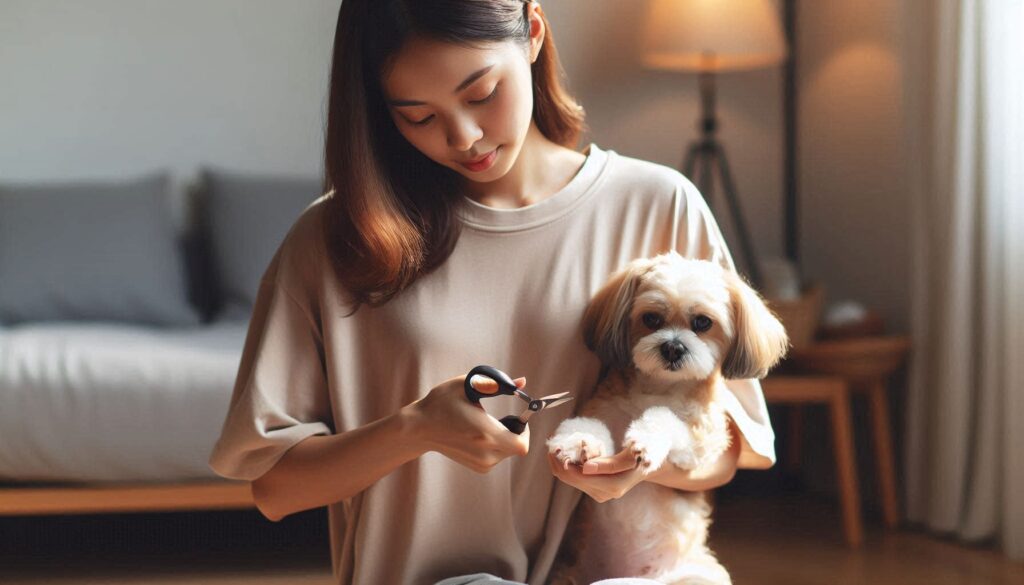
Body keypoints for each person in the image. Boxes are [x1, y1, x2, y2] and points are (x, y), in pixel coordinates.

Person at [207, 1, 777, 584]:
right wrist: (415, 429)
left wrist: (635, 467)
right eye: (418, 116)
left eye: (481, 94)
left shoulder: (659, 205)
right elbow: (274, 488)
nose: (464, 136)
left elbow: (728, 451)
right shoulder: (335, 240)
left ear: (532, 31)